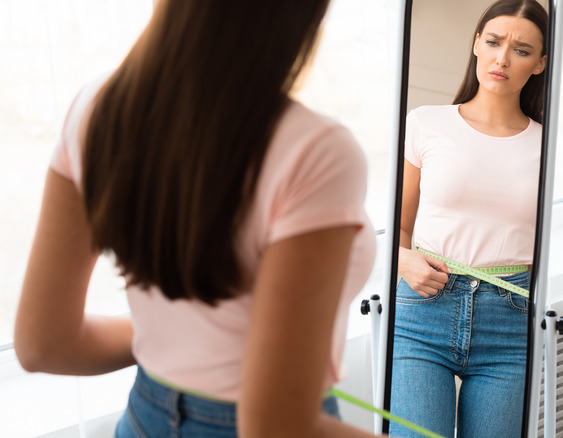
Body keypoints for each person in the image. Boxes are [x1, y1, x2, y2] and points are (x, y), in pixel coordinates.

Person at [13, 1, 380, 436]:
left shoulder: (96, 108)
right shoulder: (316, 150)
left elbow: (44, 344)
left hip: (143, 419)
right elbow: (276, 424)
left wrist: (178, 339)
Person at [390, 0, 547, 437]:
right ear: (476, 44)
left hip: (510, 318)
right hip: (423, 310)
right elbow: (397, 228)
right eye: (494, 42)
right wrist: (403, 261)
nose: (502, 58)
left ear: (539, 64)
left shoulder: (548, 146)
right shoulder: (425, 124)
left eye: (521, 50)